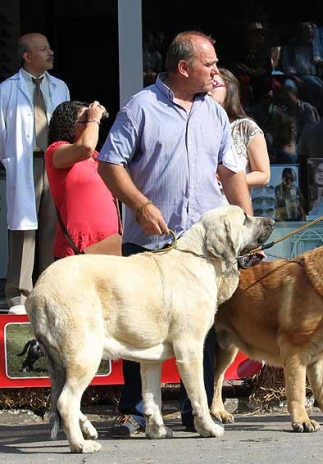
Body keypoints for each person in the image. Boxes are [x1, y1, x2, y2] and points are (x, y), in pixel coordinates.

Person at [97, 31, 252, 437]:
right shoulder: (141, 108)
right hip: (149, 240)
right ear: (184, 68)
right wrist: (141, 206)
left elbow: (232, 172)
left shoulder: (215, 114)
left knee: (198, 327)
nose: (217, 72)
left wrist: (248, 229)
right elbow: (109, 164)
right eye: (210, 65)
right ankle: (135, 411)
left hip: (201, 249)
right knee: (137, 325)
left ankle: (193, 409)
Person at [0, 32, 70, 315]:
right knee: (24, 231)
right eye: (43, 49)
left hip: (55, 163)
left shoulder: (60, 87)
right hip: (25, 162)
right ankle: (19, 295)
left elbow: (67, 127)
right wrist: (10, 161)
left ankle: (48, 291)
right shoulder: (7, 89)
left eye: (49, 47)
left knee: (53, 230)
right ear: (28, 56)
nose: (50, 52)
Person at [45, 100, 119, 259]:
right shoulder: (56, 151)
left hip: (109, 249)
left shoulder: (97, 157)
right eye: (87, 118)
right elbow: (85, 147)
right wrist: (94, 119)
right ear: (71, 125)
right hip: (76, 252)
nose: (94, 123)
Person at [210, 68, 270, 188]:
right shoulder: (195, 125)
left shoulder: (246, 127)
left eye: (214, 84)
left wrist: (227, 180)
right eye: (205, 85)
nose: (208, 90)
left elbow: (263, 175)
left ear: (229, 90)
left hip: (232, 205)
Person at [280, 22, 323, 112]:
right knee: (317, 87)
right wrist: (294, 77)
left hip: (311, 74)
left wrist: (321, 61)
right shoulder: (291, 45)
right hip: (300, 74)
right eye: (307, 31)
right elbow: (286, 64)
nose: (311, 33)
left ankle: (320, 111)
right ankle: (309, 110)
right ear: (301, 32)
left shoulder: (314, 45)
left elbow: (321, 57)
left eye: (311, 31)